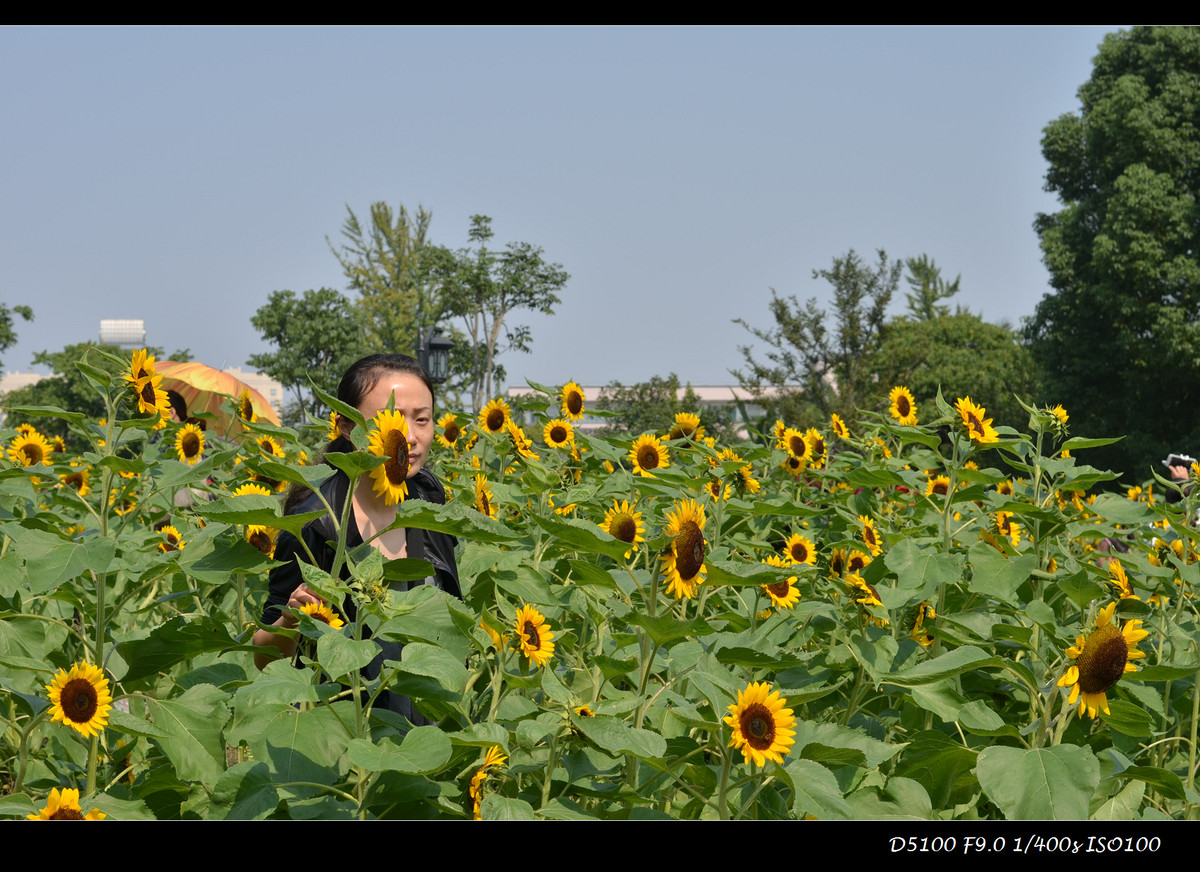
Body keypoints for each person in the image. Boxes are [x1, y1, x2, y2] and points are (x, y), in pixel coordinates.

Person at [252, 353, 460, 722]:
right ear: (347, 427)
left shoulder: (429, 501)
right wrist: (293, 619)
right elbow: (266, 656)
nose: (408, 437)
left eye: (422, 420)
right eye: (388, 422)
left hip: (429, 726)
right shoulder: (314, 522)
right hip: (345, 730)